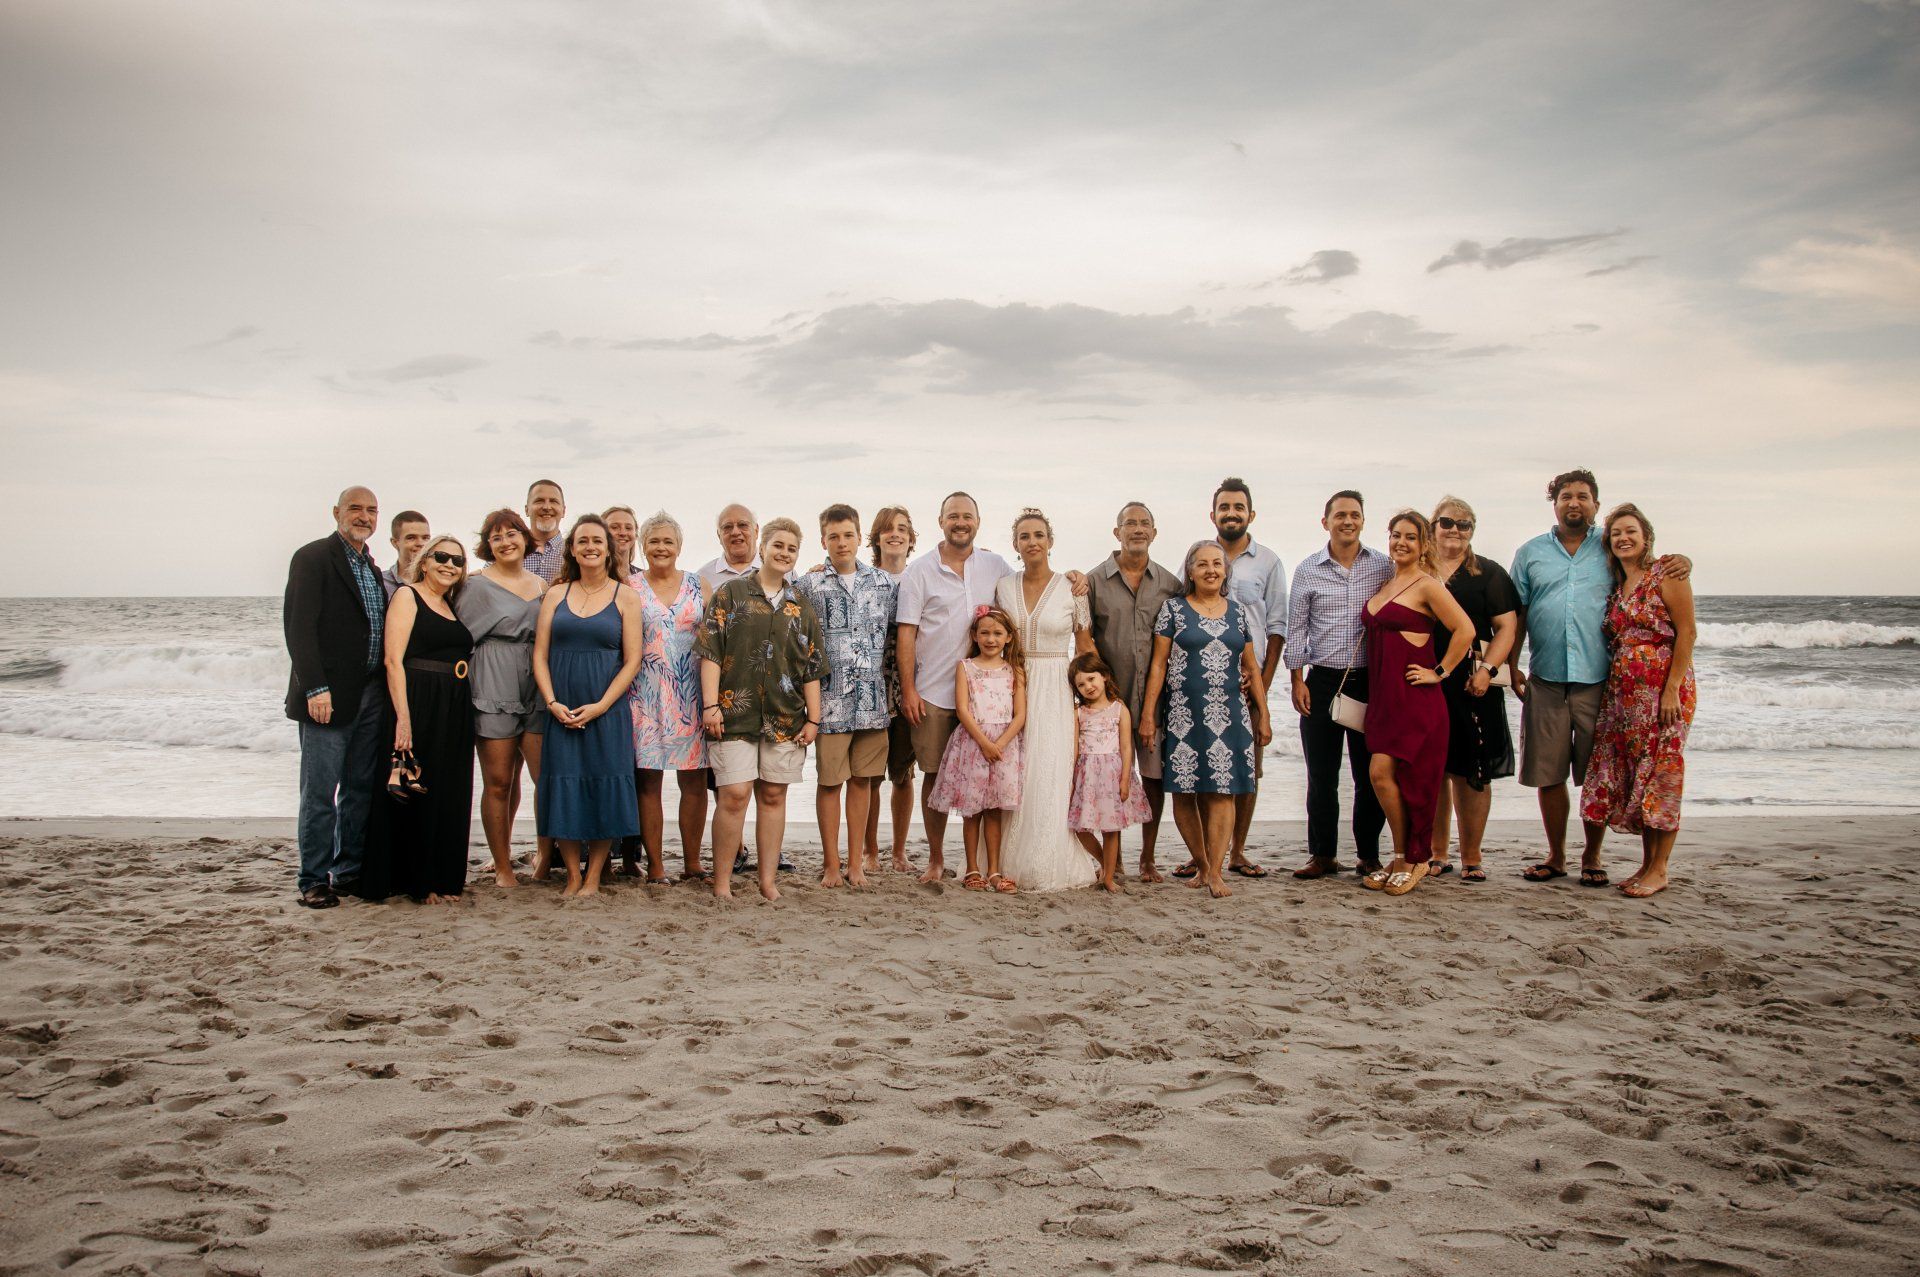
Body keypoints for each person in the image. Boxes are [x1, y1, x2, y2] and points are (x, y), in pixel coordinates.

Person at [1510, 470, 1690, 886]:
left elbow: (1648, 571)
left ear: (1595, 504)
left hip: (1602, 683)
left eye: (1583, 496)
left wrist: (1683, 561)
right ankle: (1556, 856)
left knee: (1599, 774)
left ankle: (1592, 857)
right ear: (1554, 503)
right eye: (1566, 496)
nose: (1574, 503)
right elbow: (1518, 613)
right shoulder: (1530, 552)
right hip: (1546, 678)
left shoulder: (1608, 546)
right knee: (1549, 774)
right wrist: (1512, 664)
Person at [697, 518, 825, 902]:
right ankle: (722, 883)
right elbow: (710, 652)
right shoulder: (731, 593)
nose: (784, 553)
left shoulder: (801, 606)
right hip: (733, 714)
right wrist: (710, 705)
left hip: (785, 717)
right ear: (762, 547)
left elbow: (811, 668)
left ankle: (767, 882)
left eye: (792, 548)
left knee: (772, 797)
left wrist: (814, 719)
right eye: (778, 545)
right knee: (734, 794)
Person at [1139, 541, 1272, 899]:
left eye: (1217, 563)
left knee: (1223, 791)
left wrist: (1264, 715)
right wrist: (1149, 714)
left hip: (1231, 714)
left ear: (1226, 570)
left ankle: (1215, 871)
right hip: (1184, 714)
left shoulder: (1238, 613)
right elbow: (1158, 665)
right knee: (1184, 791)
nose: (1211, 570)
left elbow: (1251, 668)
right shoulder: (1173, 610)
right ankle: (1202, 865)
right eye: (1202, 564)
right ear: (1191, 571)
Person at [897, 492, 1015, 885]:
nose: (960, 522)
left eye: (967, 516)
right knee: (934, 778)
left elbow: (1027, 591)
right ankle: (935, 858)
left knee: (984, 779)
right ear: (941, 521)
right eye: (953, 516)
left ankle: (980, 862)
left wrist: (1075, 579)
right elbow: (907, 634)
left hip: (985, 699)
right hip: (933, 694)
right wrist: (909, 689)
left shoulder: (996, 566)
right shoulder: (919, 571)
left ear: (977, 522)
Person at [1581, 504, 1698, 899]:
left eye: (1630, 531)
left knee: (1662, 772)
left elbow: (1687, 633)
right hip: (1624, 697)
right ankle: (1646, 865)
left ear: (1646, 536)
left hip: (1664, 692)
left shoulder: (1666, 573)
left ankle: (1659, 869)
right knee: (1640, 773)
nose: (1623, 538)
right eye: (1616, 534)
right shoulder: (1620, 585)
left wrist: (1671, 689)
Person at [1358, 512, 1475, 897]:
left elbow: (1465, 630)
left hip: (1414, 697)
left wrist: (1439, 672)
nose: (1401, 543)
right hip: (1384, 696)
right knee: (1385, 777)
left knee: (1395, 775)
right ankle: (1401, 856)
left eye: (1410, 537)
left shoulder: (1428, 585)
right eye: (1396, 535)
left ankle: (1414, 857)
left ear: (1424, 544)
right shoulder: (1386, 583)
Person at [283, 486, 388, 909]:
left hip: (371, 693)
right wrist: (315, 687)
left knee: (359, 789)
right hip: (327, 695)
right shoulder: (313, 558)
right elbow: (299, 628)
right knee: (320, 792)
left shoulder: (371, 566)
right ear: (336, 512)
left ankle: (348, 871)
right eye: (355, 509)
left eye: (371, 510)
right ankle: (313, 878)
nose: (364, 516)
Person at [1284, 491, 1394, 880]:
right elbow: (1297, 629)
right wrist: (1297, 680)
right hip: (1323, 681)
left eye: (1355, 515)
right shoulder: (1307, 570)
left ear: (1363, 521)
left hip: (1369, 682)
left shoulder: (1383, 566)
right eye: (1340, 515)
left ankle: (1368, 855)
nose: (1348, 521)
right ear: (1325, 522)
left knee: (1369, 775)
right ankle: (1323, 855)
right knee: (1321, 776)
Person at [532, 514, 643, 897]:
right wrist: (551, 702)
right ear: (573, 549)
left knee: (604, 787)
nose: (591, 546)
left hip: (607, 711)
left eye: (598, 540)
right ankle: (572, 875)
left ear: (608, 549)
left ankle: (594, 875)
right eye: (583, 541)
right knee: (563, 786)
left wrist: (601, 706)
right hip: (560, 709)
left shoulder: (626, 596)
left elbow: (632, 660)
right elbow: (540, 655)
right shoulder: (555, 594)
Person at [364, 535, 476, 903]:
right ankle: (417, 881)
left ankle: (443, 878)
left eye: (457, 561)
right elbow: (392, 661)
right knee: (416, 789)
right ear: (424, 562)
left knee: (448, 790)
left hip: (454, 704)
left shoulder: (449, 604)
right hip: (419, 701)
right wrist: (404, 719)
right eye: (441, 557)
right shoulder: (407, 595)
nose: (449, 565)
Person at [994, 509, 1097, 892]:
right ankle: (1003, 861)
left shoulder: (1072, 588)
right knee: (1015, 770)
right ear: (1016, 544)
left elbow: (1084, 647)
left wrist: (1094, 700)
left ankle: (1047, 859)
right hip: (1013, 683)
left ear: (1050, 541)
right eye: (1024, 536)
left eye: (1039, 535)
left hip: (1056, 686)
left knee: (1051, 769)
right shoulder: (1003, 586)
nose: (1032, 542)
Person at [1191, 478, 1288, 879]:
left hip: (1249, 684)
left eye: (1238, 507)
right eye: (1224, 508)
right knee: (1203, 769)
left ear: (1251, 514)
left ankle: (1238, 851)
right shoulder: (1200, 556)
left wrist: (1262, 683)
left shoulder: (1268, 562)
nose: (1231, 514)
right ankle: (1203, 853)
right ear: (1213, 514)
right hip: (1203, 685)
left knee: (1247, 770)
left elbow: (1277, 627)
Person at [797, 504, 898, 888]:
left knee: (863, 782)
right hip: (830, 704)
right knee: (829, 783)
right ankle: (830, 864)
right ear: (824, 540)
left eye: (848, 535)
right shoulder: (809, 586)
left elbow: (899, 636)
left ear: (859, 537)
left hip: (872, 703)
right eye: (834, 536)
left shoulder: (885, 584)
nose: (841, 543)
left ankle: (856, 863)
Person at [1085, 501, 1181, 883]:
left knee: (1154, 778)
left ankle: (1148, 857)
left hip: (1157, 701)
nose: (1137, 529)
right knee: (1112, 779)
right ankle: (1116, 857)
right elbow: (1084, 639)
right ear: (1117, 532)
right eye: (1130, 524)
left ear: (1154, 533)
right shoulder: (1094, 581)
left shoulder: (1170, 584)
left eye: (1144, 524)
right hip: (1110, 701)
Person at [1426, 497, 1519, 882]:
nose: (1455, 530)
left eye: (1463, 525)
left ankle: (1472, 857)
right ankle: (1436, 854)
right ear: (1433, 526)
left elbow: (1507, 628)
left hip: (1472, 681)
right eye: (1447, 522)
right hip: (1427, 679)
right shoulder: (1418, 569)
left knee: (1473, 772)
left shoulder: (1489, 573)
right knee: (1433, 770)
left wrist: (1488, 670)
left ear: (1472, 531)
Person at [457, 508, 547, 888]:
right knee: (498, 781)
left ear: (525, 538)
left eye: (512, 534)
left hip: (536, 681)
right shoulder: (474, 586)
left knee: (545, 779)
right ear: (487, 546)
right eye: (496, 537)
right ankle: (502, 867)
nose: (506, 542)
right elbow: (458, 639)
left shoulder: (542, 586)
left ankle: (543, 858)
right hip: (493, 680)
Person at [629, 511, 712, 884]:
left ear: (679, 546)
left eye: (668, 541)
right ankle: (656, 866)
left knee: (693, 782)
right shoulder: (629, 587)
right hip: (643, 696)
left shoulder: (698, 585)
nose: (661, 547)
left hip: (691, 695)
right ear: (643, 546)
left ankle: (692, 863)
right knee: (648, 782)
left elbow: (716, 642)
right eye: (654, 541)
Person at [926, 606, 1027, 892]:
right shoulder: (966, 667)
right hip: (973, 744)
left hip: (1004, 746)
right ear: (974, 635)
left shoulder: (1014, 670)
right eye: (984, 633)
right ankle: (972, 868)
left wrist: (1001, 743)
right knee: (972, 811)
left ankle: (994, 870)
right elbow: (962, 709)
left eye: (997, 633)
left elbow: (1020, 714)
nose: (991, 639)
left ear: (1008, 637)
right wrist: (984, 742)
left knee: (994, 810)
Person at [1067, 652, 1151, 894]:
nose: (1088, 686)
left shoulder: (1119, 709)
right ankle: (1105, 863)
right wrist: (1071, 779)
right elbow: (1074, 748)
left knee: (1110, 828)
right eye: (1081, 684)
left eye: (1091, 679)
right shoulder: (1078, 712)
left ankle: (1109, 877)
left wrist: (1125, 779)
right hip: (1087, 775)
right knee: (1080, 827)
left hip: (1112, 774)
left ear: (1104, 676)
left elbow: (1126, 747)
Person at [864, 505, 917, 874]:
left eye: (902, 529)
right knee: (869, 774)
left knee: (903, 772)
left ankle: (899, 852)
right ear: (877, 538)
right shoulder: (863, 577)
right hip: (870, 684)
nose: (895, 534)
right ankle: (869, 851)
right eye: (887, 529)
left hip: (909, 685)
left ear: (911, 539)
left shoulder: (920, 577)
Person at [697, 503, 762, 592]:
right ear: (719, 535)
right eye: (727, 527)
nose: (735, 532)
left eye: (742, 525)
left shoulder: (776, 569)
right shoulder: (702, 578)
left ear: (756, 531)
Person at [524, 480, 568, 583]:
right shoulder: (511, 550)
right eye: (539, 501)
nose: (547, 507)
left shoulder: (573, 553)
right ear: (527, 510)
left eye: (553, 501)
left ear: (563, 511)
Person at [381, 511, 431, 599]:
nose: (420, 543)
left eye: (425, 538)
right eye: (411, 538)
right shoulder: (381, 583)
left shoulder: (438, 582)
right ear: (395, 543)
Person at [604, 505, 641, 583]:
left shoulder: (644, 578)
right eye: (615, 527)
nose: (623, 533)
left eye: (628, 528)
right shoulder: (593, 575)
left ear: (635, 534)